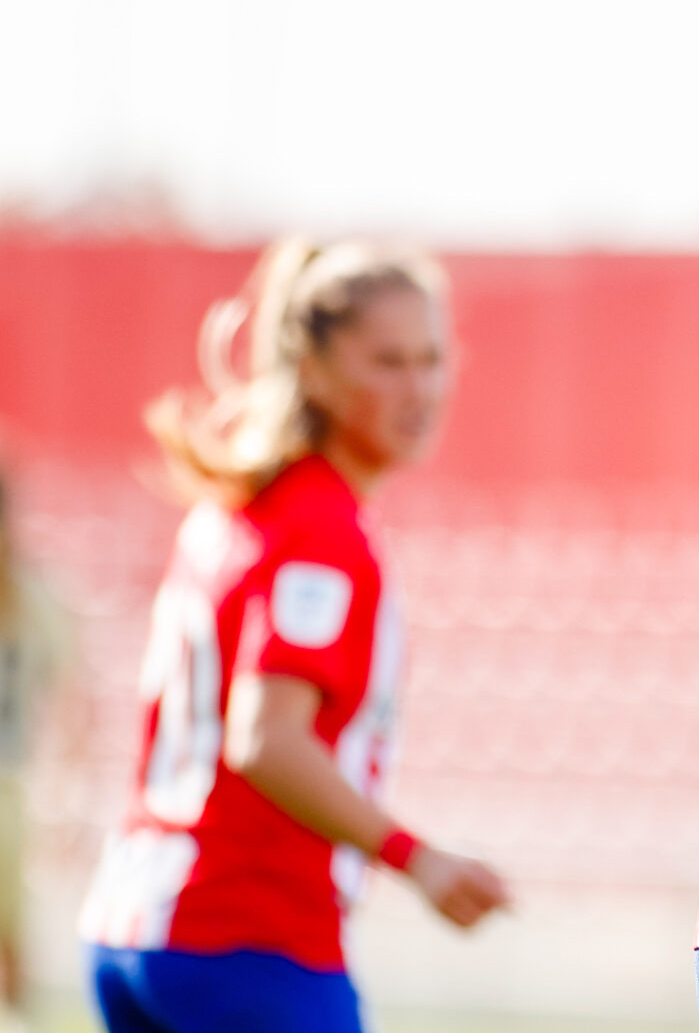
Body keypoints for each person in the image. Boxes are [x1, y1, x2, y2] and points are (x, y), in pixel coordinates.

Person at [78, 241, 510, 1033]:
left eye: (431, 360)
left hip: (134, 921)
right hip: (244, 940)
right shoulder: (323, 529)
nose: (419, 389)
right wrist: (420, 858)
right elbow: (264, 740)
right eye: (388, 362)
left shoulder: (237, 506)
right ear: (312, 369)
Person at [0, 463, 74, 1021]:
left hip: (8, 786)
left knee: (11, 938)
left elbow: (70, 695)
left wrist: (69, 793)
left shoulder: (27, 593)